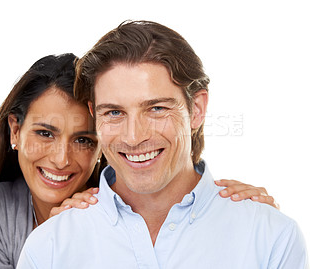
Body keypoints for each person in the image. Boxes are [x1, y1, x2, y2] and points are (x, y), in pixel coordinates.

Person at [0, 53, 275, 269]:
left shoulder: (127, 204)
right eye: (45, 133)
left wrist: (232, 211)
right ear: (15, 130)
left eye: (84, 140)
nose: (61, 158)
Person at [16, 21, 308, 268]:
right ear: (95, 116)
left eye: (156, 109)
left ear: (196, 109)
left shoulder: (271, 238)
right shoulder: (48, 248)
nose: (133, 137)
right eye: (114, 112)